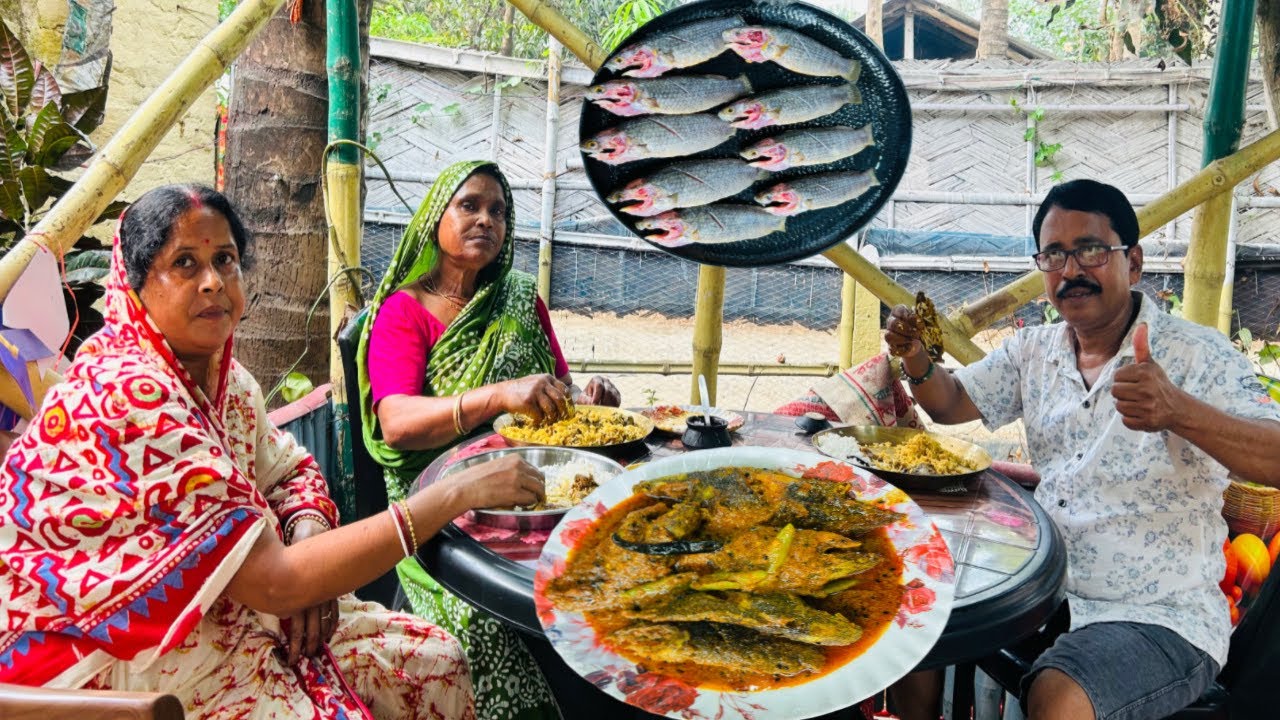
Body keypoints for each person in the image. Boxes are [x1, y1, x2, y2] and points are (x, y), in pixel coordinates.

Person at [0, 184, 549, 720]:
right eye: (185, 265)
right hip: (128, 648)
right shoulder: (128, 392)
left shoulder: (226, 380)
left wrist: (309, 542)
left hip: (247, 595)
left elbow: (290, 473)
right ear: (136, 285)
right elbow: (275, 579)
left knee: (438, 662)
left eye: (226, 260)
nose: (214, 282)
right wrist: (456, 492)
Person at [884, 179, 1280, 720]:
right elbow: (952, 402)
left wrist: (1178, 411)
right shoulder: (1034, 350)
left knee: (1059, 698)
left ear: (1133, 262)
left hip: (1156, 616)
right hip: (1039, 588)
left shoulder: (1195, 355)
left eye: (1090, 250)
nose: (1070, 271)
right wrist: (917, 361)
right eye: (1053, 255)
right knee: (917, 618)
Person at [357, 160, 620, 720]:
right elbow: (397, 423)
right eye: (469, 205)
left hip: (540, 495)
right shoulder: (405, 312)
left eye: (498, 210)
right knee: (490, 632)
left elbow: (557, 392)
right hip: (441, 516)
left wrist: (590, 397)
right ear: (436, 218)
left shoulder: (520, 300)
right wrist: (499, 395)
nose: (485, 220)